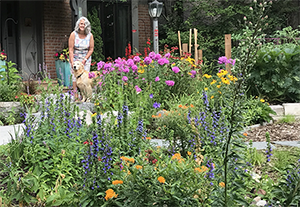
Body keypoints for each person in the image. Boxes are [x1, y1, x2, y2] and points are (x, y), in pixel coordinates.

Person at [68, 16, 94, 99]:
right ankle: (76, 95)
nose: (82, 25)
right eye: (81, 24)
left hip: (85, 58)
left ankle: (86, 96)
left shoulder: (90, 35)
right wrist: (72, 62)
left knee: (85, 78)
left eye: (84, 24)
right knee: (75, 78)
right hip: (75, 57)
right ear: (78, 25)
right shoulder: (73, 34)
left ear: (87, 26)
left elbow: (91, 49)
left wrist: (85, 59)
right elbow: (71, 49)